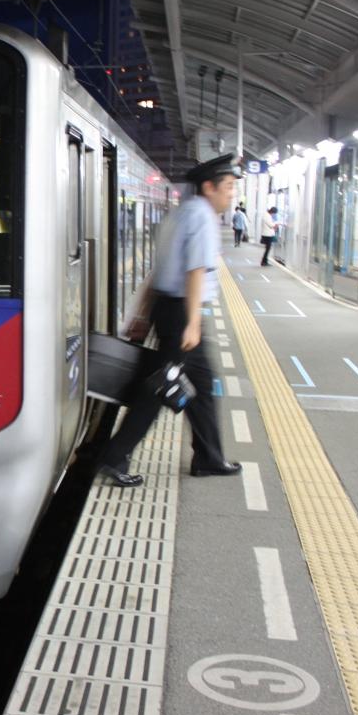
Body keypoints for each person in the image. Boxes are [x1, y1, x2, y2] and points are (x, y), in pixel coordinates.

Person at [96, 154, 244, 488]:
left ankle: (209, 457)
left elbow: (157, 270)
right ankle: (113, 455)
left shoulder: (180, 213)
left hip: (169, 307)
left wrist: (144, 313)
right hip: (181, 313)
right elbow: (195, 271)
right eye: (228, 186)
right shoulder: (202, 217)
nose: (231, 193)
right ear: (209, 187)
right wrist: (192, 323)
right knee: (162, 387)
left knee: (201, 384)